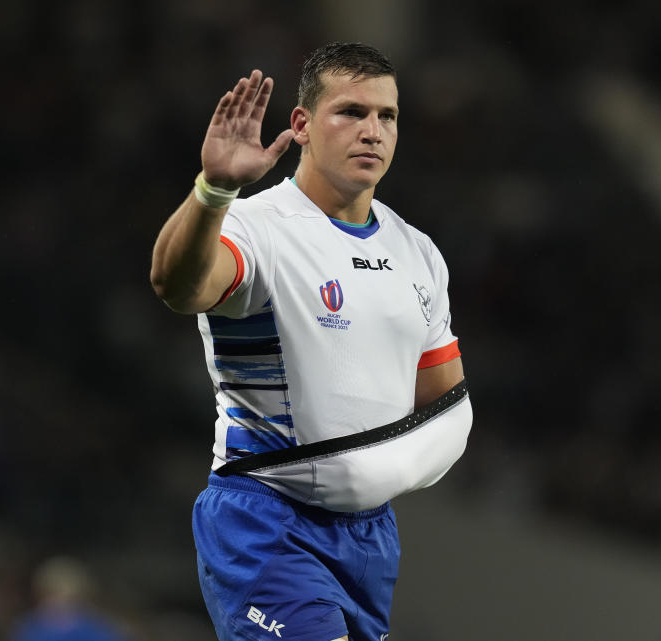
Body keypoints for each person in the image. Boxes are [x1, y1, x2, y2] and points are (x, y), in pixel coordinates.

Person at [150, 42, 472, 641]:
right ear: (300, 125)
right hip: (267, 519)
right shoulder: (255, 226)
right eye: (351, 112)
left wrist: (365, 476)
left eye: (388, 116)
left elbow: (443, 404)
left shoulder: (418, 253)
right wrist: (214, 190)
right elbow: (177, 284)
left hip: (370, 535)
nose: (372, 131)